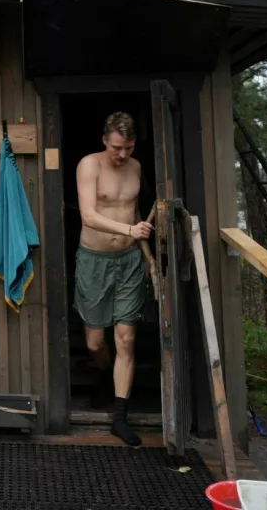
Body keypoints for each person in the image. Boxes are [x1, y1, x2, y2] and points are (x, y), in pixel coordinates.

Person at [73, 111, 153, 447]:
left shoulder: (136, 168)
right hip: (94, 261)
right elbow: (89, 216)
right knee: (95, 343)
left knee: (126, 339)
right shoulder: (89, 165)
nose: (123, 154)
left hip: (130, 261)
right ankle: (103, 375)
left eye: (129, 147)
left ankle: (120, 418)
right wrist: (130, 230)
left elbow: (134, 214)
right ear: (105, 140)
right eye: (118, 147)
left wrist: (148, 258)